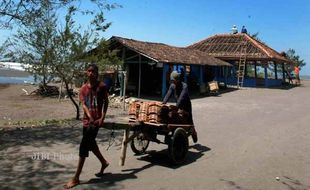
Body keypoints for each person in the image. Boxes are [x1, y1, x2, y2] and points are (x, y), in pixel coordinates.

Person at [64, 64, 109, 189]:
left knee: (84, 146)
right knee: (91, 143)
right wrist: (89, 116)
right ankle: (104, 162)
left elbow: (106, 102)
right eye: (89, 71)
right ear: (86, 73)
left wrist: (102, 118)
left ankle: (76, 178)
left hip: (96, 122)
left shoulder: (102, 86)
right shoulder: (83, 88)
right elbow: (83, 105)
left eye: (93, 71)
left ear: (97, 73)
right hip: (87, 121)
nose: (91, 73)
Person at [163, 71, 198, 143]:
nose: (173, 82)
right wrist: (163, 103)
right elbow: (168, 94)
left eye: (174, 81)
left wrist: (175, 108)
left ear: (178, 80)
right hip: (178, 105)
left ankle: (193, 133)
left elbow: (181, 98)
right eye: (172, 81)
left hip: (186, 106)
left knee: (189, 121)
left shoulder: (184, 86)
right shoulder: (172, 86)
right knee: (175, 118)